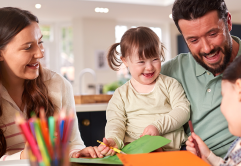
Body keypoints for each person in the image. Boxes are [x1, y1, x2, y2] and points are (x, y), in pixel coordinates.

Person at [0, 7, 102, 160]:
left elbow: (73, 142)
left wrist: (77, 153)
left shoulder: (57, 84)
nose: (40, 53)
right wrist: (23, 157)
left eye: (40, 42)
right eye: (28, 47)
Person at [161, 0, 241, 157]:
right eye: (193, 40)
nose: (207, 48)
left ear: (228, 22)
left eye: (213, 34)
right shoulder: (172, 70)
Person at [97, 26, 190, 157]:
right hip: (138, 155)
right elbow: (115, 122)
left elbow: (183, 110)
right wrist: (114, 139)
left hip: (175, 151)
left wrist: (158, 126)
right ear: (125, 61)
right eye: (141, 61)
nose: (149, 67)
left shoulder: (170, 84)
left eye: (155, 59)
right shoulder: (121, 94)